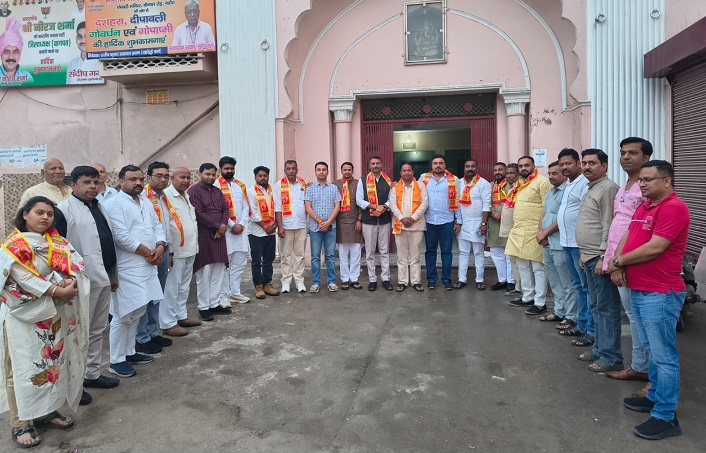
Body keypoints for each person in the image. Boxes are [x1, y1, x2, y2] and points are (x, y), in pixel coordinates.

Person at [609, 160, 690, 440]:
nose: (641, 184)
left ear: (666, 181)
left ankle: (666, 416)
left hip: (660, 293)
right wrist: (617, 262)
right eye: (640, 180)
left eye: (648, 179)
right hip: (640, 289)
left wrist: (618, 261)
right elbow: (628, 235)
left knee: (663, 356)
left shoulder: (674, 208)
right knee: (652, 350)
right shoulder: (645, 206)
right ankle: (654, 395)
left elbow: (655, 248)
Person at [0, 197, 89, 448]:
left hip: (52, 314)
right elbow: (23, 278)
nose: (45, 218)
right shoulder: (12, 246)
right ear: (25, 214)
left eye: (49, 214)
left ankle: (46, 413)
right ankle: (20, 422)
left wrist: (69, 282)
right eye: (39, 212)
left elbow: (74, 265)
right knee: (21, 369)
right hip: (22, 317)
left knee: (51, 363)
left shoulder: (57, 242)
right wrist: (58, 290)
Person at [54, 166, 119, 407]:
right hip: (79, 282)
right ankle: (75, 384)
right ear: (73, 185)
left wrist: (113, 274)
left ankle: (92, 374)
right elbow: (57, 250)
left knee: (97, 329)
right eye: (86, 182)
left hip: (103, 277)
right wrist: (65, 282)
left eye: (95, 182)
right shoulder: (63, 210)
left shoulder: (99, 206)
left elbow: (107, 243)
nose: (92, 186)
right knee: (78, 333)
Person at [104, 165, 165, 378]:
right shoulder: (113, 204)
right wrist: (149, 252)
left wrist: (160, 246)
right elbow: (121, 237)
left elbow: (157, 226)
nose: (138, 183)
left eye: (140, 179)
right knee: (123, 314)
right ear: (121, 181)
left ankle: (130, 352)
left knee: (139, 310)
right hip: (127, 267)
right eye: (132, 179)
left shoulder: (145, 201)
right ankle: (116, 360)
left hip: (148, 265)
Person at [603, 138, 651, 388]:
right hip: (618, 257)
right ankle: (639, 366)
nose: (625, 157)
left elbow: (641, 229)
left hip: (633, 259)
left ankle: (644, 369)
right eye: (623, 153)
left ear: (646, 158)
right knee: (632, 316)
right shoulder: (624, 186)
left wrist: (621, 261)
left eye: (633, 153)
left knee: (639, 317)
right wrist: (611, 258)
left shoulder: (646, 187)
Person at [575, 149, 623, 372]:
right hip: (589, 256)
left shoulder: (608, 188)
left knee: (607, 307)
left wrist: (605, 256)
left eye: (592, 163)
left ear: (604, 166)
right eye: (584, 163)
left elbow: (609, 224)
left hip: (599, 258)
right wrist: (582, 253)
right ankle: (600, 348)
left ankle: (612, 356)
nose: (587, 166)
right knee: (596, 305)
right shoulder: (592, 187)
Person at [135, 162, 175, 354]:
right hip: (147, 253)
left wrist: (169, 250)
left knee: (157, 294)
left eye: (166, 176)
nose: (163, 179)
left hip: (163, 249)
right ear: (148, 177)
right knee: (145, 295)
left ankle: (153, 332)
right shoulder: (142, 198)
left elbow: (166, 226)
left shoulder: (163, 197)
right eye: (159, 176)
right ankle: (141, 337)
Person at [506, 156, 551, 314]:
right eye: (521, 166)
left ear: (533, 165)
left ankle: (540, 302)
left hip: (535, 230)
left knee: (538, 267)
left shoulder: (542, 182)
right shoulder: (519, 183)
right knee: (522, 265)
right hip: (518, 230)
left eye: (526, 165)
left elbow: (547, 208)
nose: (523, 168)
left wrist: (543, 231)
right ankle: (527, 296)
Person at [187, 163, 232, 321]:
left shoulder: (217, 191)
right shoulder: (193, 191)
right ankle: (204, 307)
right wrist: (217, 226)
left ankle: (214, 303)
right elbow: (198, 213)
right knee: (204, 273)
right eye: (207, 174)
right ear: (200, 174)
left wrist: (223, 225)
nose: (211, 177)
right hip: (204, 235)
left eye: (213, 174)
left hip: (220, 235)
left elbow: (225, 209)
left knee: (218, 271)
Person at [160, 167, 201, 336]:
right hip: (175, 250)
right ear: (172, 178)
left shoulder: (186, 195)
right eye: (181, 177)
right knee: (172, 287)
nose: (185, 180)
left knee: (184, 286)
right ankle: (168, 323)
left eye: (188, 177)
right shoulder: (166, 196)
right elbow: (164, 225)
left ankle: (181, 316)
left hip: (190, 248)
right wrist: (168, 250)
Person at [557, 148, 592, 336]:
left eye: (568, 163)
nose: (564, 167)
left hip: (578, 244)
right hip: (566, 242)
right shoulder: (568, 183)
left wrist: (582, 245)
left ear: (578, 163)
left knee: (586, 287)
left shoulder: (584, 183)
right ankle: (582, 323)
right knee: (578, 286)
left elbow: (586, 214)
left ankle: (589, 328)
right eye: (561, 164)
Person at [535, 162, 576, 323]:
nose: (551, 176)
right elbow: (543, 214)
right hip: (546, 243)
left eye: (555, 173)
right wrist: (540, 232)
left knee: (567, 282)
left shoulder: (568, 192)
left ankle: (571, 316)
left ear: (564, 175)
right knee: (554, 281)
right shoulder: (551, 192)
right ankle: (559, 311)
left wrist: (545, 233)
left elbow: (562, 217)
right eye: (549, 173)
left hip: (559, 243)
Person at [419, 154, 461, 290]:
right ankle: (431, 279)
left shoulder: (454, 180)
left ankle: (446, 279)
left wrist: (458, 220)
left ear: (445, 165)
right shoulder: (423, 178)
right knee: (430, 251)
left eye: (441, 163)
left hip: (447, 220)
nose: (438, 165)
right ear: (431, 165)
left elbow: (458, 200)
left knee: (446, 251)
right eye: (435, 163)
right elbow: (417, 196)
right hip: (429, 220)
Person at [215, 157, 251, 306]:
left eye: (231, 168)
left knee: (240, 263)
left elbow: (246, 207)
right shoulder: (216, 185)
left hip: (240, 231)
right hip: (225, 230)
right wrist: (232, 225)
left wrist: (241, 224)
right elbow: (218, 210)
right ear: (220, 169)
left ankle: (235, 293)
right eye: (226, 168)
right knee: (224, 265)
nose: (229, 171)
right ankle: (223, 296)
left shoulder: (240, 185)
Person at [389, 162, 428, 292]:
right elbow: (393, 205)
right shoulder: (395, 188)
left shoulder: (421, 186)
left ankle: (416, 281)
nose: (407, 172)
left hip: (416, 225)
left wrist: (413, 218)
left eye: (409, 170)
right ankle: (402, 281)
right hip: (400, 225)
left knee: (415, 255)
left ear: (413, 172)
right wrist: (402, 218)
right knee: (402, 256)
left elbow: (424, 203)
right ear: (401, 173)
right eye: (404, 170)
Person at [356, 156, 393, 291]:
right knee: (370, 252)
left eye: (378, 163)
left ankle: (385, 279)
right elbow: (359, 200)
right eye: (373, 163)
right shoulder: (362, 181)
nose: (375, 165)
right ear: (369, 165)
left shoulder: (388, 180)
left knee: (384, 251)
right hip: (369, 221)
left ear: (381, 164)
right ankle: (372, 280)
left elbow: (392, 198)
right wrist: (374, 207)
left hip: (384, 220)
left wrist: (384, 207)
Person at [304, 162, 341, 292]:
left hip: (331, 227)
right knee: (315, 256)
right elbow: (308, 207)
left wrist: (328, 222)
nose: (321, 172)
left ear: (327, 172)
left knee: (330, 256)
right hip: (315, 228)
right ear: (315, 172)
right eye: (318, 169)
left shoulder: (334, 188)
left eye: (323, 169)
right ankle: (316, 282)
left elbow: (337, 206)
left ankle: (331, 281)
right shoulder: (310, 189)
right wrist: (320, 221)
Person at [455, 160, 491, 290]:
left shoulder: (483, 183)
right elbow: (455, 203)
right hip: (463, 223)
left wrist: (484, 223)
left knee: (478, 253)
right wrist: (457, 221)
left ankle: (479, 280)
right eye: (467, 166)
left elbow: (487, 205)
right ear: (464, 168)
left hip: (478, 223)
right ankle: (462, 279)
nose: (470, 168)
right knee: (463, 252)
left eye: (473, 166)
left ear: (476, 168)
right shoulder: (459, 183)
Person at [274, 160, 308, 294]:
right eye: (288, 169)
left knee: (300, 255)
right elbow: (277, 208)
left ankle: (299, 281)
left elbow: (307, 204)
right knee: (286, 255)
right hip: (286, 225)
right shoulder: (279, 185)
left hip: (301, 225)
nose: (291, 171)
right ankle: (286, 282)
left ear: (297, 170)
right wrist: (280, 227)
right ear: (285, 171)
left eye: (293, 168)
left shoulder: (303, 184)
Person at [248, 166, 280, 299]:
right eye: (260, 176)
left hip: (271, 232)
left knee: (269, 260)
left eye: (265, 176)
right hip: (256, 232)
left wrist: (275, 225)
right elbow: (253, 213)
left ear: (268, 176)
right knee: (256, 261)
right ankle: (258, 286)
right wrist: (266, 227)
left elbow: (278, 208)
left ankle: (267, 284)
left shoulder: (272, 191)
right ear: (255, 177)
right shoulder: (251, 192)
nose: (263, 178)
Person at [334, 162, 364, 290]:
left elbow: (361, 203)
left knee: (356, 253)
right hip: (341, 223)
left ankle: (354, 279)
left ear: (353, 170)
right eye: (345, 170)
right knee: (343, 254)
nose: (347, 172)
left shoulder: (358, 183)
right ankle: (345, 279)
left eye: (349, 169)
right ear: (341, 171)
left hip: (355, 222)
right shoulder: (336, 184)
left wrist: (359, 220)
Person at [487, 162, 516, 292]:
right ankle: (502, 280)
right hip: (494, 223)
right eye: (495, 170)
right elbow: (486, 201)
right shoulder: (490, 186)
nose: (497, 172)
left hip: (509, 223)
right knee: (496, 253)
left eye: (500, 170)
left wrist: (502, 213)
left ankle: (511, 281)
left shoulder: (512, 185)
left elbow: (514, 202)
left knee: (509, 254)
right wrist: (493, 212)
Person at [498, 163, 521, 295]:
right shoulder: (510, 188)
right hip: (510, 230)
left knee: (520, 261)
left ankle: (521, 288)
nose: (508, 176)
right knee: (513, 259)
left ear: (518, 174)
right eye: (507, 173)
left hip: (517, 228)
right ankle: (518, 287)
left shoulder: (521, 187)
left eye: (512, 173)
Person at [1, 18, 33, 86]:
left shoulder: (27, 77)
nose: (11, 57)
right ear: (1, 54)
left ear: (20, 54)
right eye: (6, 52)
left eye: (15, 52)